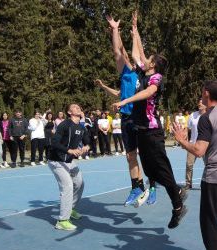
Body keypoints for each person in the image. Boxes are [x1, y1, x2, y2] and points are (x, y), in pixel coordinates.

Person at [114, 14, 187, 228]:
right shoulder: (144, 72)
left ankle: (177, 206)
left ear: (154, 65)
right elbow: (139, 54)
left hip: (153, 131)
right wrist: (135, 29)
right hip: (141, 130)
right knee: (150, 171)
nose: (144, 61)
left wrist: (125, 100)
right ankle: (178, 190)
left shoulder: (156, 79)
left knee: (161, 169)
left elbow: (148, 93)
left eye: (149, 61)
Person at [172, 80, 217, 250]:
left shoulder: (206, 118)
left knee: (209, 222)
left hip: (215, 177)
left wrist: (182, 141)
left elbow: (199, 150)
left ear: (206, 93)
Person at [94, 14, 152, 206]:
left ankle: (151, 187)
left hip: (141, 118)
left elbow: (135, 51)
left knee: (145, 155)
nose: (127, 58)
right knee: (130, 156)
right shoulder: (126, 74)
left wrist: (135, 31)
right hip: (127, 117)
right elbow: (118, 51)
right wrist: (115, 29)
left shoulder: (143, 76)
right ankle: (137, 187)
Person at [48, 104, 89, 231]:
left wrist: (86, 147)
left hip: (69, 161)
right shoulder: (64, 125)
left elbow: (87, 141)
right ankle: (62, 220)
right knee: (68, 186)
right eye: (74, 107)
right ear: (69, 112)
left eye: (78, 106)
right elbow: (54, 142)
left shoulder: (81, 127)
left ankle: (70, 209)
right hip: (56, 160)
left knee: (80, 183)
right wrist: (70, 150)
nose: (78, 107)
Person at [184, 99, 206, 190]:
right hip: (193, 144)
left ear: (205, 104)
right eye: (199, 103)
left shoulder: (209, 115)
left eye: (201, 103)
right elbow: (187, 129)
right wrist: (186, 140)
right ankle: (188, 183)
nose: (199, 104)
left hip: (205, 144)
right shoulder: (193, 115)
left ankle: (204, 182)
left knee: (208, 165)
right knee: (189, 165)